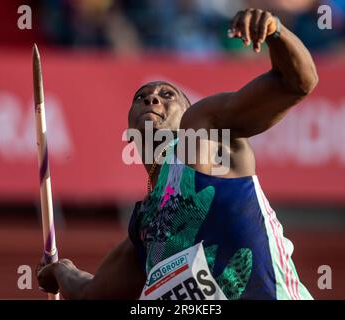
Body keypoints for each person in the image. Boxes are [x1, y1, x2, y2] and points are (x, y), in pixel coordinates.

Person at [37, 7, 318, 300]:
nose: (152, 97)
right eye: (141, 98)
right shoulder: (146, 227)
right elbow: (90, 294)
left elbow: (297, 83)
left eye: (167, 95)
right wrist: (60, 270)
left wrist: (274, 31)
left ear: (188, 113)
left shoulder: (203, 129)